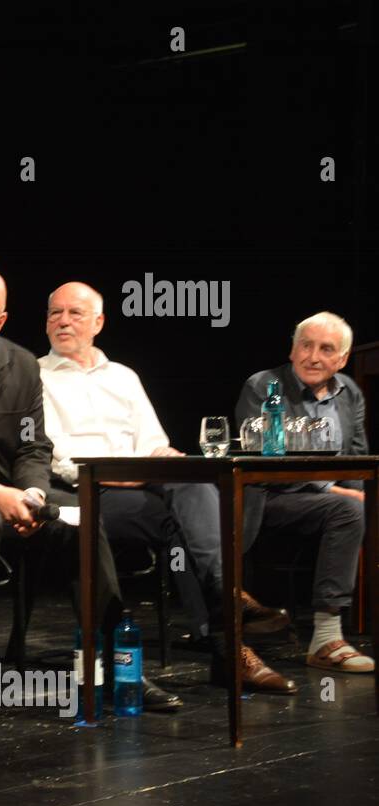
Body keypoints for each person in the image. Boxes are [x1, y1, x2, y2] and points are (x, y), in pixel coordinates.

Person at [0, 267, 182, 713]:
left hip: (2, 492)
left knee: (79, 515)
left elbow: (33, 447)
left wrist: (34, 495)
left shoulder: (19, 364)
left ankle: (119, 665)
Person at [39, 281, 296, 693]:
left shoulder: (124, 376)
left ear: (98, 323)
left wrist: (162, 457)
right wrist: (132, 471)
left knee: (191, 486)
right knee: (186, 506)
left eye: (75, 313)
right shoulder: (36, 376)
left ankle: (228, 636)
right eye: (55, 312)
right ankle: (231, 632)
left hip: (141, 488)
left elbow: (153, 441)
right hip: (85, 491)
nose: (63, 321)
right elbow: (53, 455)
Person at [235, 312, 375, 674]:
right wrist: (340, 493)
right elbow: (267, 460)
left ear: (342, 359)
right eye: (305, 345)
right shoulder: (263, 385)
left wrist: (359, 494)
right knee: (346, 510)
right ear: (292, 349)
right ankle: (327, 638)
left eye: (326, 349)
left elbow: (357, 456)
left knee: (356, 507)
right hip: (268, 498)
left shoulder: (349, 392)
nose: (313, 357)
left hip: (325, 501)